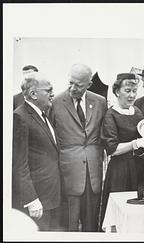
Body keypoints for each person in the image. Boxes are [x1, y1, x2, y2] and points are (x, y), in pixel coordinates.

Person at [49, 64, 107, 232]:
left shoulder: (100, 102)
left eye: (79, 85)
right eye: (70, 82)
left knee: (91, 225)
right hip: (68, 173)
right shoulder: (55, 102)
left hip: (93, 174)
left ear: (89, 84)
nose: (73, 88)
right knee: (70, 225)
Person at [100, 73, 144, 231]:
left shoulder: (138, 112)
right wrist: (136, 143)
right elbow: (112, 149)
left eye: (134, 91)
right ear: (117, 91)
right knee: (121, 214)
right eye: (127, 90)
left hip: (140, 170)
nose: (132, 95)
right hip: (121, 171)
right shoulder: (110, 115)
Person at [12, 72, 61, 231]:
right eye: (48, 90)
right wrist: (31, 199)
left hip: (51, 197)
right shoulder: (20, 117)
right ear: (33, 94)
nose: (52, 94)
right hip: (38, 201)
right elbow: (20, 164)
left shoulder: (43, 115)